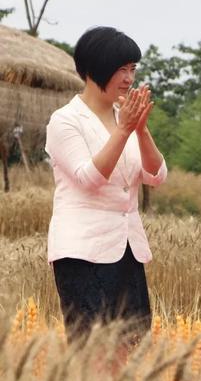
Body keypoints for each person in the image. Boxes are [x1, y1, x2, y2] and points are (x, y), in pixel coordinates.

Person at [45, 26, 167, 342]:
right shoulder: (65, 120)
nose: (129, 78)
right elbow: (88, 178)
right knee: (93, 349)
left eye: (132, 69)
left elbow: (156, 176)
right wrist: (124, 130)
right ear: (94, 69)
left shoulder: (123, 116)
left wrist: (140, 130)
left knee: (133, 344)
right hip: (82, 252)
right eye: (120, 69)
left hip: (127, 249)